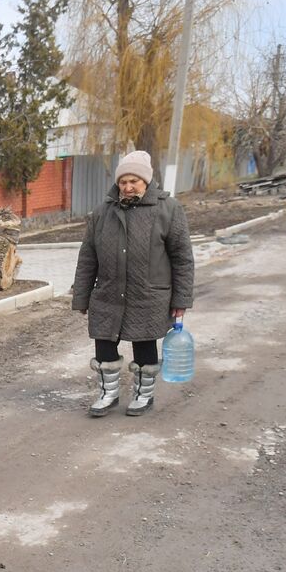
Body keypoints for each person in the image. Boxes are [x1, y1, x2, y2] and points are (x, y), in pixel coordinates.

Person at [70, 150, 194, 417]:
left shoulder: (168, 210)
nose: (127, 187)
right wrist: (81, 296)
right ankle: (108, 394)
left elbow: (182, 258)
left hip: (148, 295)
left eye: (134, 181)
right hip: (107, 293)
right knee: (104, 344)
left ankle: (143, 395)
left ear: (146, 181)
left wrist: (181, 301)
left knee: (144, 345)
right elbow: (87, 257)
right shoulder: (102, 213)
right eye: (123, 181)